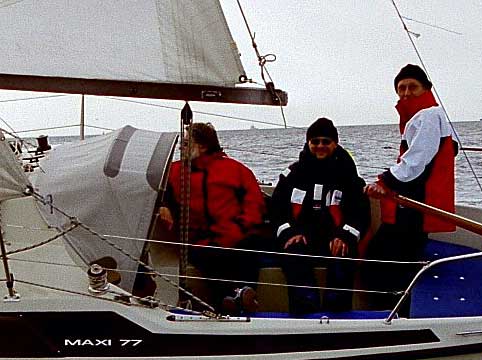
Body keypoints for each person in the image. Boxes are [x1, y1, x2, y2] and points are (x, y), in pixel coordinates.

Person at [364, 64, 458, 309]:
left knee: (379, 258)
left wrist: (384, 182)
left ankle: (389, 312)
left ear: (426, 88)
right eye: (401, 88)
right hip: (415, 199)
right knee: (401, 256)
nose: (406, 93)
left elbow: (416, 159)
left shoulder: (427, 116)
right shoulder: (429, 115)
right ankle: (398, 308)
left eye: (412, 87)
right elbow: (451, 147)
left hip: (415, 201)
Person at [159, 122, 265, 313]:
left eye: (185, 144)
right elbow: (158, 190)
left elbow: (254, 204)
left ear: (203, 146)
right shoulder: (174, 172)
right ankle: (237, 299)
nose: (181, 148)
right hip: (197, 240)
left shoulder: (235, 170)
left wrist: (237, 229)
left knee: (248, 249)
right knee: (210, 255)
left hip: (235, 233)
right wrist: (163, 205)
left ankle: (233, 301)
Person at [272, 118, 370, 313]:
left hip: (336, 238)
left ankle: (337, 313)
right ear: (308, 143)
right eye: (315, 141)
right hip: (301, 237)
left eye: (326, 141)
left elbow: (360, 213)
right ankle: (305, 311)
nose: (320, 146)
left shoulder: (349, 176)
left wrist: (345, 236)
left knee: (343, 256)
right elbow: (277, 209)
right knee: (293, 253)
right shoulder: (292, 175)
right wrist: (289, 233)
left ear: (335, 143)